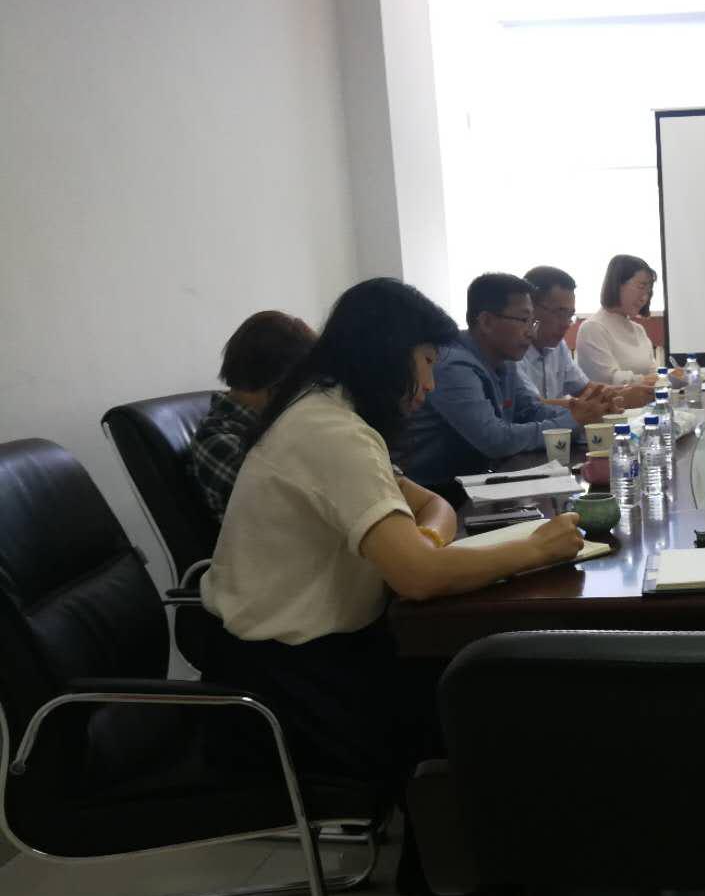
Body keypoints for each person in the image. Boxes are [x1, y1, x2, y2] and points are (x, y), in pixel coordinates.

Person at [201, 276, 584, 788]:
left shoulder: (329, 413)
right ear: (387, 355)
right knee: (498, 707)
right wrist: (536, 548)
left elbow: (433, 506)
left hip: (327, 654)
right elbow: (419, 578)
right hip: (292, 686)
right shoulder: (329, 431)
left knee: (498, 688)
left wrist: (424, 544)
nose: (430, 383)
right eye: (426, 362)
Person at [404, 273, 612, 483]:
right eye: (523, 320)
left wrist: (587, 413)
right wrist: (573, 420)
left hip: (481, 480)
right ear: (486, 322)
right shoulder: (452, 365)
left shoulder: (505, 359)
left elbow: (530, 411)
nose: (531, 333)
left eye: (533, 322)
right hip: (438, 491)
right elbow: (495, 439)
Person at [190, 311, 316, 520]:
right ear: (279, 384)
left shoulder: (277, 423)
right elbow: (294, 512)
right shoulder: (218, 442)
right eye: (301, 385)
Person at [519, 265, 650, 409]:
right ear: (530, 308)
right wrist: (610, 401)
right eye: (560, 313)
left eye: (570, 315)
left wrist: (625, 392)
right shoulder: (513, 352)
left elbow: (586, 389)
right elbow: (531, 407)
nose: (566, 324)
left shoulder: (558, 347)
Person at [575, 254, 685, 388]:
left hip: (645, 401)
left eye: (648, 292)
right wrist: (657, 378)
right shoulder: (592, 328)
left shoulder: (638, 330)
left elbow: (653, 373)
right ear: (617, 284)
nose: (644, 298)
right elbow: (609, 380)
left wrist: (672, 376)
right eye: (641, 287)